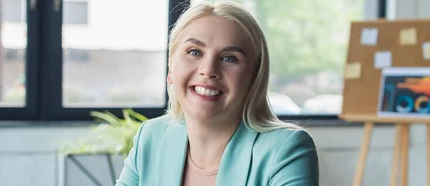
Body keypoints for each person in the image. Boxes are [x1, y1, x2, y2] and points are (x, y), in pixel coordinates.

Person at [115, 1, 319, 185]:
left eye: (229, 58)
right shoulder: (151, 137)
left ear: (254, 78)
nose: (208, 70)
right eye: (194, 52)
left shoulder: (286, 150)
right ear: (171, 69)